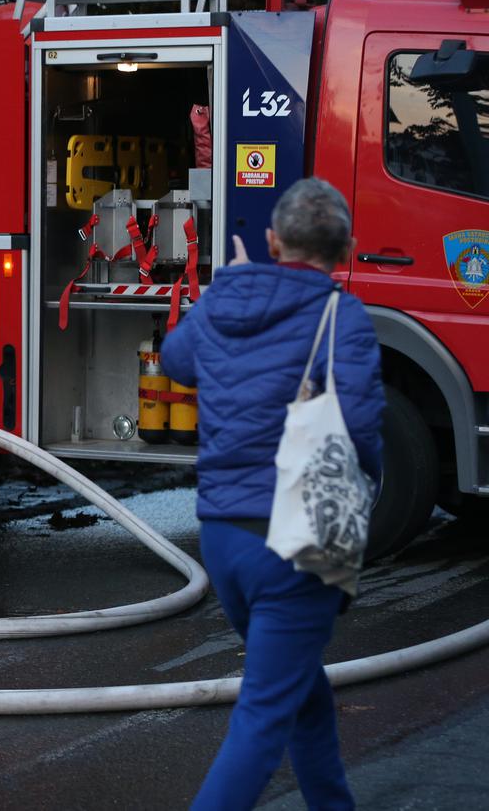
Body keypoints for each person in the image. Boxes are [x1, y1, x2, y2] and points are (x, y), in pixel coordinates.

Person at [161, 178, 384, 810]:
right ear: (347, 251)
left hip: (225, 539)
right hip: (300, 538)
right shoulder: (344, 316)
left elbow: (177, 360)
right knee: (263, 717)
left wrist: (223, 288)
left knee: (298, 688)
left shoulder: (227, 301)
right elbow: (364, 436)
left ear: (271, 240)